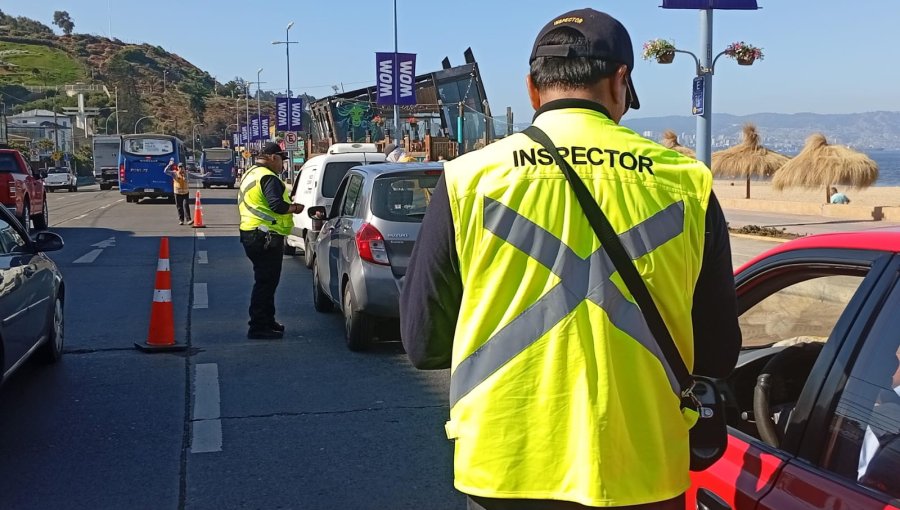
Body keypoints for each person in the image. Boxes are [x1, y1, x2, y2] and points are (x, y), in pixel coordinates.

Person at [399, 9, 741, 510]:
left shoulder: (467, 180)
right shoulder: (687, 184)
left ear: (533, 89)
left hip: (506, 470)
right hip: (642, 472)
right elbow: (716, 353)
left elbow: (423, 340)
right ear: (621, 81)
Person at [238, 142, 304, 340]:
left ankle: (268, 320)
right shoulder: (268, 177)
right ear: (273, 158)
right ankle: (258, 326)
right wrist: (295, 208)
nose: (283, 165)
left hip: (252, 233)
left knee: (267, 281)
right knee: (266, 282)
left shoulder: (251, 173)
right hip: (264, 236)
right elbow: (277, 205)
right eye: (282, 160)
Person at [164, 158, 208, 225]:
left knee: (186, 205)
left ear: (184, 168)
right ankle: (181, 220)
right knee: (179, 207)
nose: (181, 169)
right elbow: (165, 171)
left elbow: (196, 176)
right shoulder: (174, 173)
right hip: (177, 193)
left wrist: (204, 176)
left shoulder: (187, 174)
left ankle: (188, 220)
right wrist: (169, 165)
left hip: (185, 193)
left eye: (182, 167)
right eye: (180, 167)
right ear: (178, 168)